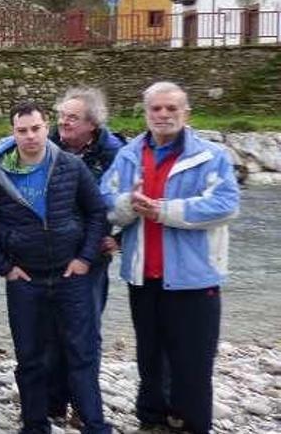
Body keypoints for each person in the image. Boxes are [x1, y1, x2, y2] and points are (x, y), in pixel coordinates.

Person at [100, 82, 239, 434]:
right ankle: (151, 420)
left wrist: (163, 210)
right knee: (149, 357)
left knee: (192, 362)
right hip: (143, 275)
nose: (163, 115)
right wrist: (128, 205)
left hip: (195, 277)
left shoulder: (211, 156)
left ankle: (191, 423)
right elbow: (105, 201)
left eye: (171, 108)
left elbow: (225, 205)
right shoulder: (129, 154)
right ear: (145, 113)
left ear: (186, 113)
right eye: (156, 109)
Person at [0, 101, 111, 434]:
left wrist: (85, 258)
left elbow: (96, 213)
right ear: (13, 132)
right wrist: (4, 267)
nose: (30, 136)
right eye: (22, 130)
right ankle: (34, 424)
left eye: (36, 128)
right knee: (30, 356)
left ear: (47, 128)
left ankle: (95, 424)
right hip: (25, 279)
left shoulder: (70, 167)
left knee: (81, 353)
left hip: (69, 275)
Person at [47, 87, 126, 424]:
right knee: (50, 331)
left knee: (84, 333)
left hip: (90, 257)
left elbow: (132, 198)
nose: (63, 121)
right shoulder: (47, 145)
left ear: (92, 124)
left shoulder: (116, 153)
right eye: (61, 115)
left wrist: (120, 238)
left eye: (72, 117)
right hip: (50, 255)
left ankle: (83, 407)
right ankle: (53, 403)